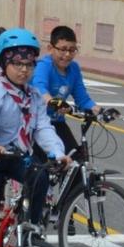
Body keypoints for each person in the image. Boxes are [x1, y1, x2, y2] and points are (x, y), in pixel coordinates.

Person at [0, 28, 69, 247]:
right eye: (17, 64)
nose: (24, 70)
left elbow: (43, 127)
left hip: (18, 156)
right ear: (4, 64)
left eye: (29, 64)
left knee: (40, 177)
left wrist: (57, 152)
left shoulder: (34, 96)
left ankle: (31, 230)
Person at [32, 25, 103, 159]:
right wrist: (52, 102)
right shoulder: (44, 65)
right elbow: (39, 88)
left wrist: (98, 109)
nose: (67, 55)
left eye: (72, 50)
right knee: (47, 163)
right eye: (63, 49)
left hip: (57, 122)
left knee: (76, 159)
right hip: (37, 124)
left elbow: (82, 99)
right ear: (50, 48)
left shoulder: (74, 68)